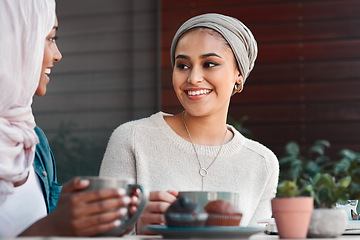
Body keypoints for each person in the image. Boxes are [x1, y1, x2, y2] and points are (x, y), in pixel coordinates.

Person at [99, 13, 279, 234]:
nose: (193, 78)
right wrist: (137, 227)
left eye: (209, 64)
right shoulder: (132, 139)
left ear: (238, 75)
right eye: (182, 65)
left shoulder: (261, 163)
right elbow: (101, 234)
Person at [0, 0, 133, 237]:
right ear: (12, 42)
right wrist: (51, 227)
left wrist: (120, 214)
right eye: (50, 38)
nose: (58, 55)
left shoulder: (31, 141)